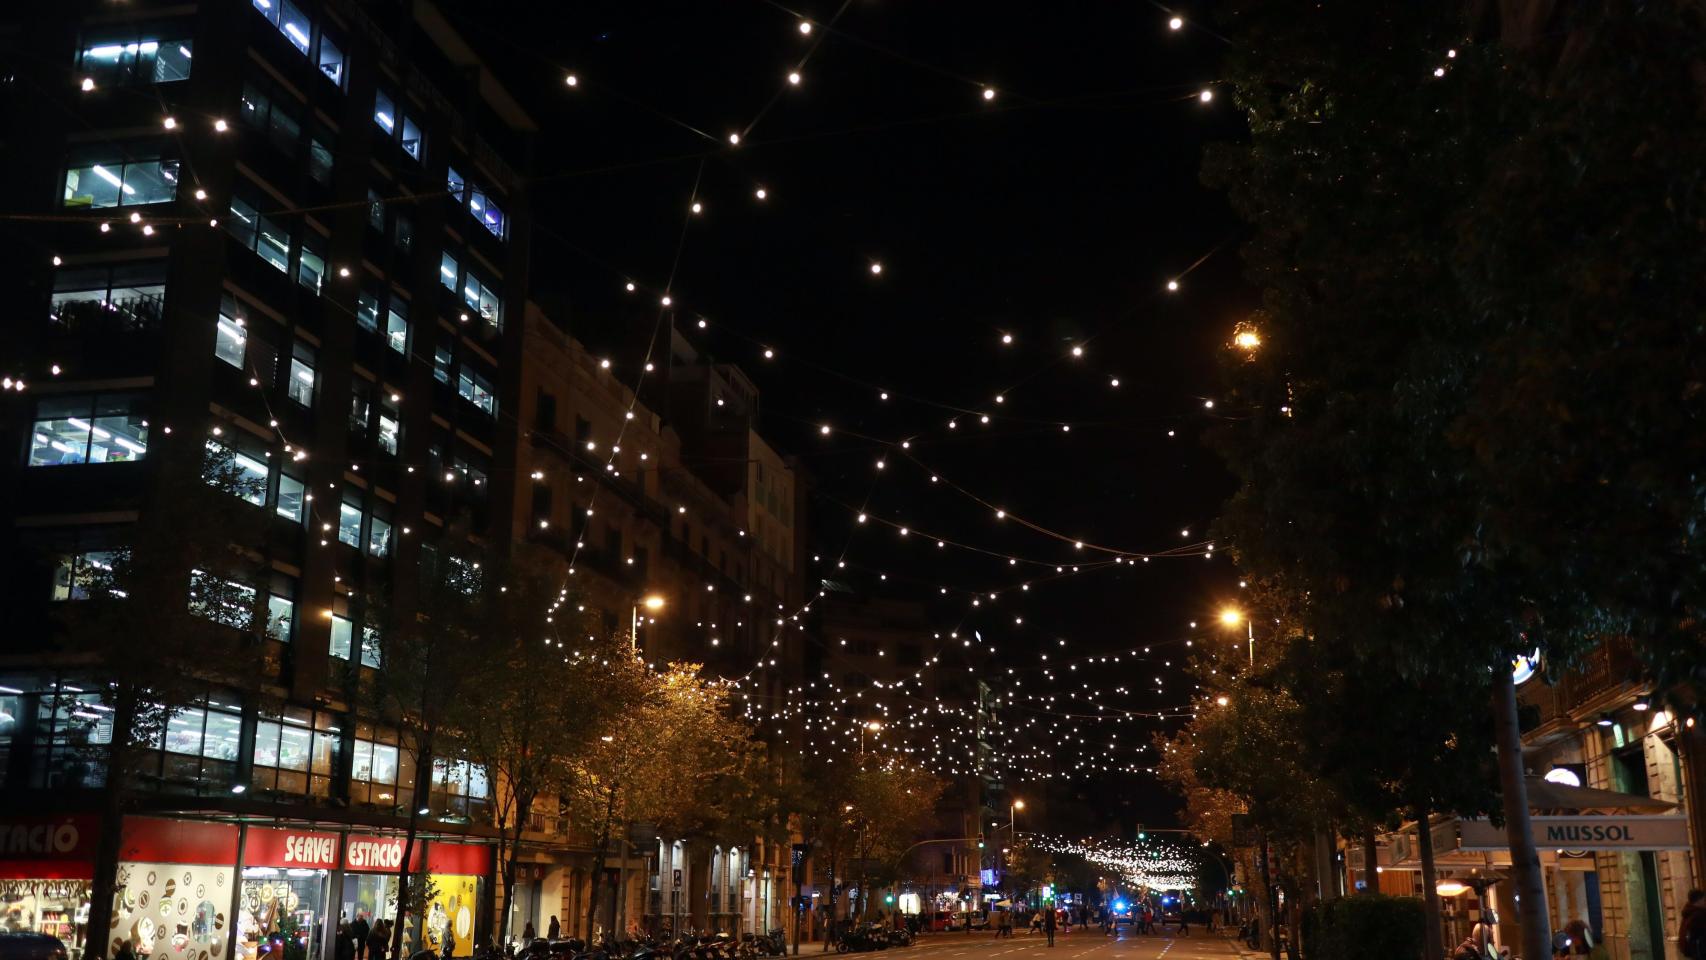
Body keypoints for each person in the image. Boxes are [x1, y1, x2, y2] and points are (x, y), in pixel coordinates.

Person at [1683, 889, 1706, 960]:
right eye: (1704, 900)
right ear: (1698, 901)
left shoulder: (1688, 913)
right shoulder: (1698, 915)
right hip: (1702, 953)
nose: (1705, 902)